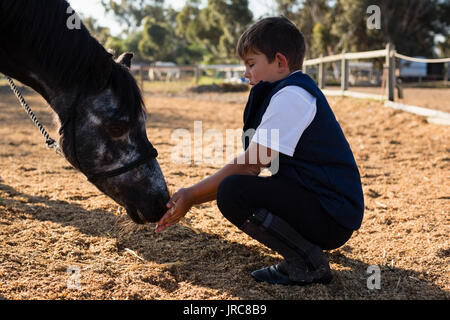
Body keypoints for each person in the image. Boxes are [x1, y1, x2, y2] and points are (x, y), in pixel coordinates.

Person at [155, 16, 364, 286]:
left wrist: (191, 196)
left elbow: (251, 165)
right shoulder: (290, 91)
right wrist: (192, 198)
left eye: (251, 64)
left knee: (235, 192)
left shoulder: (291, 96)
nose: (246, 74)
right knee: (243, 185)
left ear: (280, 62)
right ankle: (306, 248)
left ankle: (307, 262)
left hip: (331, 215)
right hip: (327, 207)